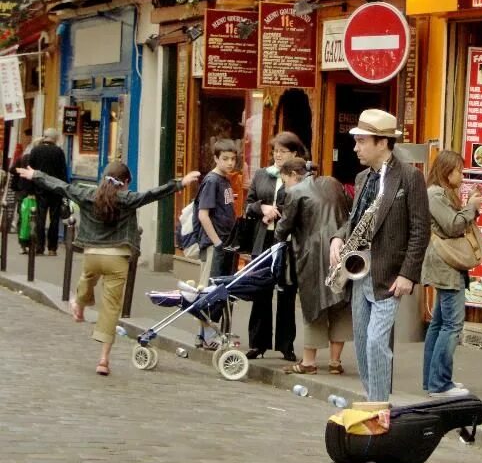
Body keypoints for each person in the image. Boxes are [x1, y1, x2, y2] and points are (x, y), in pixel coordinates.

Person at [16, 161, 200, 375]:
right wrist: (180, 183)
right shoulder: (128, 199)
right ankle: (103, 359)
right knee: (111, 309)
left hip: (92, 255)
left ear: (104, 178)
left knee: (86, 279)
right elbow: (153, 194)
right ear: (126, 183)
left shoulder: (86, 195)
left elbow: (60, 186)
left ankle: (80, 305)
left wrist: (36, 174)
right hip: (117, 258)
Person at [329, 109, 430, 402]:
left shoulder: (410, 177)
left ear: (382, 142)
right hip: (360, 272)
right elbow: (355, 219)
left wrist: (408, 274)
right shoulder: (363, 178)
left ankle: (379, 405)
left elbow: (420, 230)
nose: (356, 148)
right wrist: (338, 237)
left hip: (390, 274)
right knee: (361, 343)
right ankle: (372, 398)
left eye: (362, 141)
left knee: (376, 342)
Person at [274, 157, 352, 374]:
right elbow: (350, 209)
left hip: (313, 254)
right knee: (340, 304)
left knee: (313, 305)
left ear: (291, 175)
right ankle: (335, 362)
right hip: (341, 248)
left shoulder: (295, 191)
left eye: (284, 180)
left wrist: (275, 241)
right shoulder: (333, 183)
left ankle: (308, 362)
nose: (285, 185)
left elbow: (284, 227)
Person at [422, 150, 482, 398]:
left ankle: (432, 380)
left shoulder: (441, 194)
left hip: (444, 263)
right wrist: (471, 208)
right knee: (451, 324)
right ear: (447, 171)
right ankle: (440, 383)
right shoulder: (435, 194)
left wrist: (468, 205)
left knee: (438, 324)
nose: (462, 175)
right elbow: (454, 225)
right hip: (446, 264)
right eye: (459, 170)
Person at [244, 131, 306, 361]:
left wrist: (279, 213)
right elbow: (248, 205)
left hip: (287, 242)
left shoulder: (300, 177)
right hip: (264, 240)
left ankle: (285, 344)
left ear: (294, 153)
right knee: (260, 290)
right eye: (275, 151)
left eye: (283, 151)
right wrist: (262, 208)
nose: (278, 155)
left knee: (287, 292)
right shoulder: (262, 175)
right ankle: (257, 343)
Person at [195, 138, 238, 348]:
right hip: (216, 244)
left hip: (225, 243)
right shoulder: (212, 181)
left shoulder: (226, 180)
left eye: (233, 159)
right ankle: (207, 336)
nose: (230, 163)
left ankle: (208, 335)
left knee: (219, 289)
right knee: (209, 289)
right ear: (216, 158)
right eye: (225, 159)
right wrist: (217, 242)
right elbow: (203, 215)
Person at [28, 127, 68, 256]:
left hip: (40, 189)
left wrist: (30, 190)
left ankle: (39, 246)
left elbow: (30, 170)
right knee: (54, 219)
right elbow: (63, 171)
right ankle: (52, 248)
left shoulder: (35, 150)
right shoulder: (59, 152)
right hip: (55, 189)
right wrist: (65, 189)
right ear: (55, 138)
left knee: (40, 218)